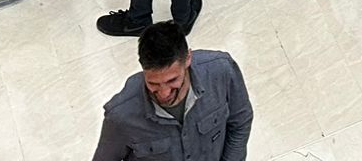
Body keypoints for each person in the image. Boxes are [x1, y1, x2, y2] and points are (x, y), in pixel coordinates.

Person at [91, 22, 252, 161]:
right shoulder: (121, 115)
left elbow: (240, 121)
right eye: (153, 83)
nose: (164, 93)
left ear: (188, 58)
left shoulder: (221, 71)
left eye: (172, 80)